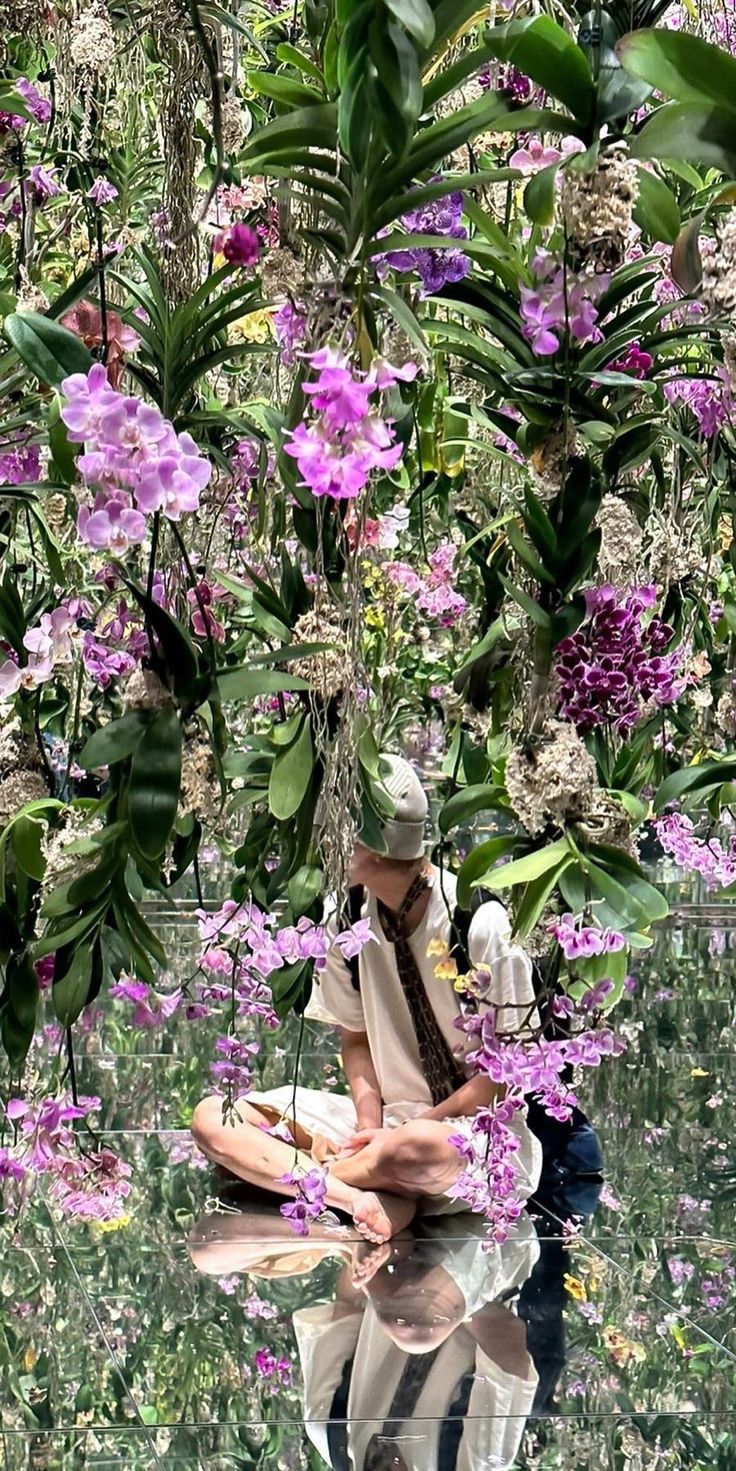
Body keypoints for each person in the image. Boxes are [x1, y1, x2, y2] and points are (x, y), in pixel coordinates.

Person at [191, 754, 542, 1243]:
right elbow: (355, 1037)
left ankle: (313, 1177)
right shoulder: (350, 916)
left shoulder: (478, 923)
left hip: (462, 1135)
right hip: (380, 1130)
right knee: (214, 1118)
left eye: (337, 831)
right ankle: (361, 1197)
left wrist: (397, 1137)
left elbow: (501, 1078)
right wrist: (368, 1124)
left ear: (372, 845)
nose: (324, 843)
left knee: (417, 1149)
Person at [188, 1205, 540, 1471]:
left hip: (392, 1243)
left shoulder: (329, 1431)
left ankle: (348, 1237)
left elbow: (348, 1304)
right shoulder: (472, 1465)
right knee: (416, 1328)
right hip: (486, 1250)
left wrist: (375, 1264)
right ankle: (358, 1238)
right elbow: (507, 1339)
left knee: (208, 1246)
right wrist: (425, 1300)